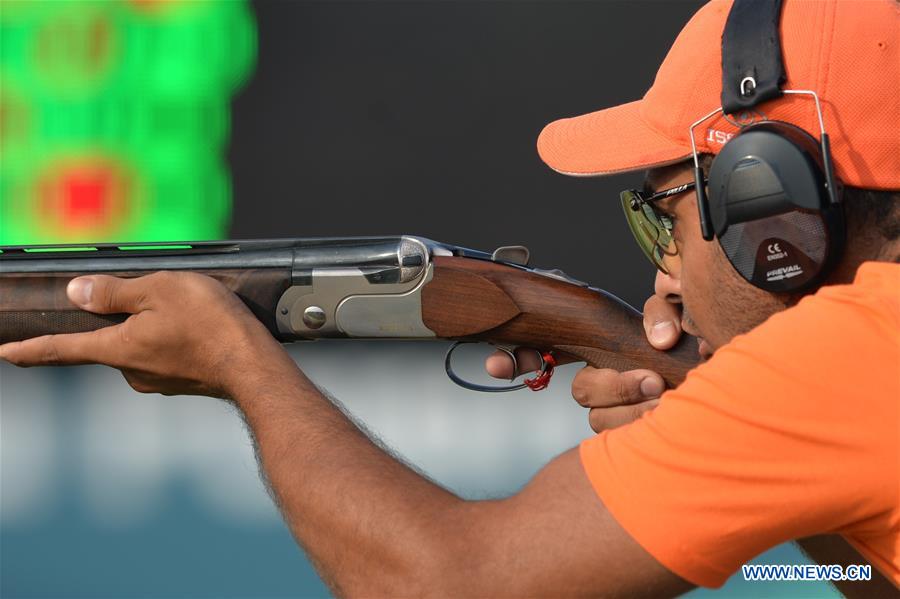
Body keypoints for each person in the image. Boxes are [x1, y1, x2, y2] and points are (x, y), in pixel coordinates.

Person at [1, 0, 897, 596]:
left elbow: (444, 584)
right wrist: (726, 424)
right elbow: (867, 579)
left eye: (671, 211)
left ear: (767, 208)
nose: (665, 270)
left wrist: (242, 366)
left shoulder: (850, 356)